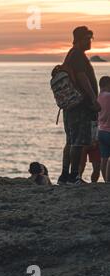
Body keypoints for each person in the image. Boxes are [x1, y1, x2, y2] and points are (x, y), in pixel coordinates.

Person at [57, 26, 101, 185]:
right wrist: (93, 99)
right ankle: (73, 177)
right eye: (87, 38)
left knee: (70, 141)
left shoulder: (72, 54)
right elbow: (83, 78)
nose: (89, 42)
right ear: (79, 39)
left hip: (71, 106)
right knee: (77, 142)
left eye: (90, 38)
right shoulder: (77, 56)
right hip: (80, 106)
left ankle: (64, 176)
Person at [97, 76, 110, 181]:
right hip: (109, 131)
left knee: (104, 158)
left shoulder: (98, 97)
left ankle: (106, 180)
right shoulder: (109, 96)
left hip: (100, 131)